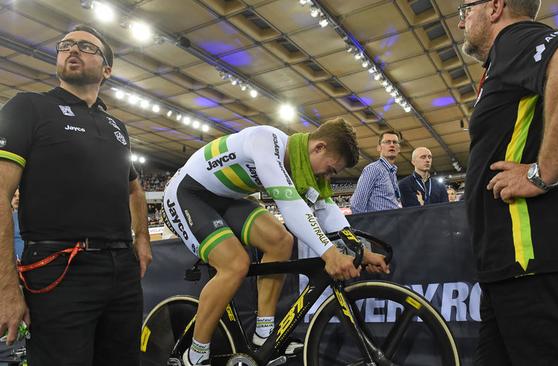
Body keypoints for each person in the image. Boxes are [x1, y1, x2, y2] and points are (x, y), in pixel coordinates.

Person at [459, 0, 558, 365]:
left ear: (495, 7)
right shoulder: (503, 58)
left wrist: (541, 174)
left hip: (535, 262)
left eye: (467, 8)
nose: (462, 20)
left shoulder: (516, 38)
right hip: (513, 268)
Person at [161, 117, 389, 365]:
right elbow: (291, 206)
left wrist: (358, 248)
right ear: (319, 147)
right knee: (235, 264)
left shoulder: (303, 166)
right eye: (331, 169)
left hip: (227, 198)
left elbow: (326, 208)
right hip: (188, 194)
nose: (328, 175)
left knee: (281, 241)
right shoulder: (266, 141)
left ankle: (264, 335)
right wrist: (329, 253)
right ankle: (194, 356)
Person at [0, 25, 152, 366]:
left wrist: (142, 236)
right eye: (66, 45)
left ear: (107, 69)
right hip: (59, 271)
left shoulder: (117, 127)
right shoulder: (29, 107)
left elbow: (134, 186)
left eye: (86, 47)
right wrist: (6, 288)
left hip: (121, 272)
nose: (73, 50)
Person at [349, 131, 402, 213]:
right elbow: (356, 204)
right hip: (379, 224)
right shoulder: (373, 169)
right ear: (379, 148)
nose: (392, 145)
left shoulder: (392, 171)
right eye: (387, 142)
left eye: (395, 142)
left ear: (398, 149)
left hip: (392, 223)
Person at [11, 189, 23, 259]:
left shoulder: (31, 217)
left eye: (20, 196)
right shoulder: (5, 219)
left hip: (29, 262)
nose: (17, 198)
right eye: (14, 196)